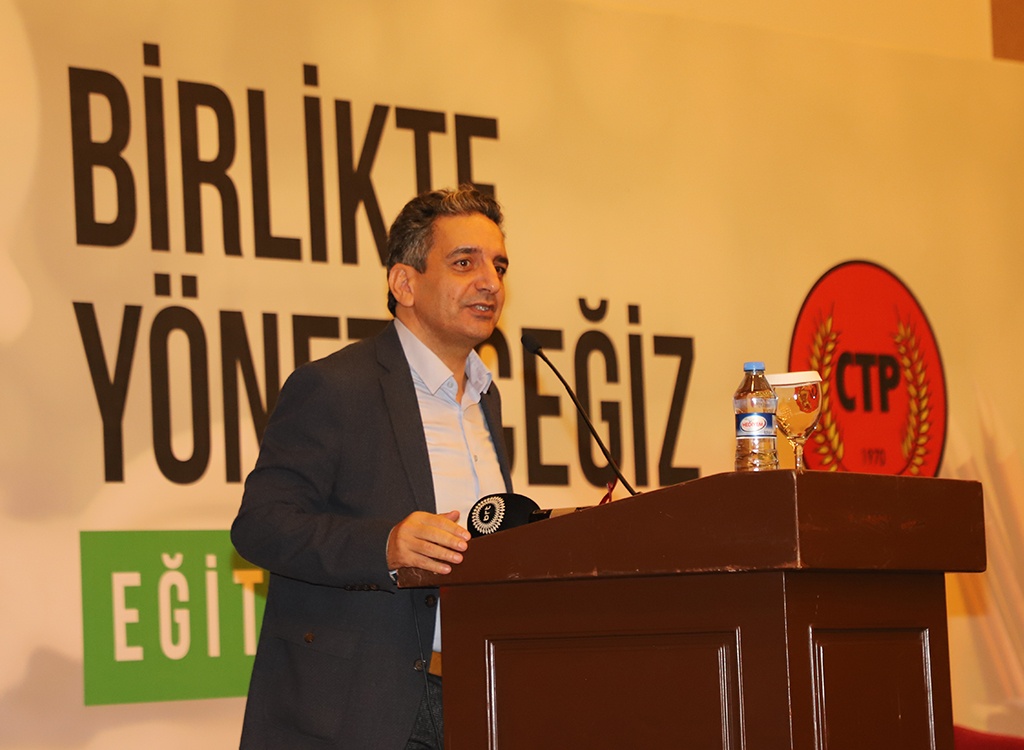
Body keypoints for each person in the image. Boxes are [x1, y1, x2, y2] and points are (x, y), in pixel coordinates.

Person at [231, 186, 513, 749]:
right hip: (365, 706)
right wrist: (384, 545)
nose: (490, 282)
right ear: (404, 283)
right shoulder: (336, 387)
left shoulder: (486, 398)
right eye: (465, 263)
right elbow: (261, 525)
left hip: (475, 697)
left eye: (499, 266)